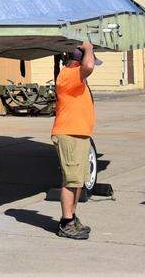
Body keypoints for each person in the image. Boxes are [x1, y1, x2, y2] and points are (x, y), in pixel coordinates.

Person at [51, 41, 96, 239]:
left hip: (79, 134)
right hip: (69, 134)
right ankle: (66, 222)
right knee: (70, 181)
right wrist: (89, 48)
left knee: (77, 181)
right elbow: (89, 66)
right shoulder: (69, 75)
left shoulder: (76, 78)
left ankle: (72, 217)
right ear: (78, 61)